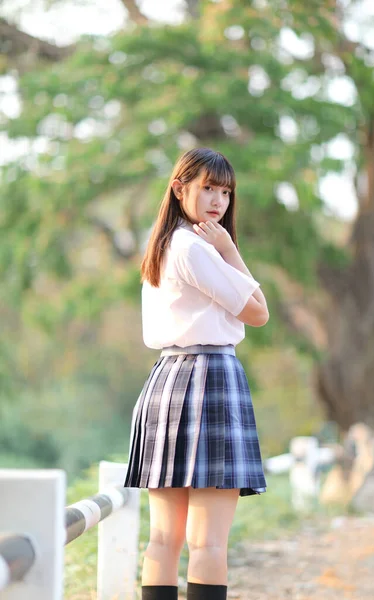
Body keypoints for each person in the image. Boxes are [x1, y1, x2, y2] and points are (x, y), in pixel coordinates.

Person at [124, 147, 269, 600]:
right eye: (207, 187)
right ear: (179, 187)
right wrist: (230, 250)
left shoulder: (163, 244)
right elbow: (259, 312)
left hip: (166, 381)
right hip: (210, 380)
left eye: (225, 192)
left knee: (164, 539)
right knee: (207, 542)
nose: (218, 201)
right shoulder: (197, 249)